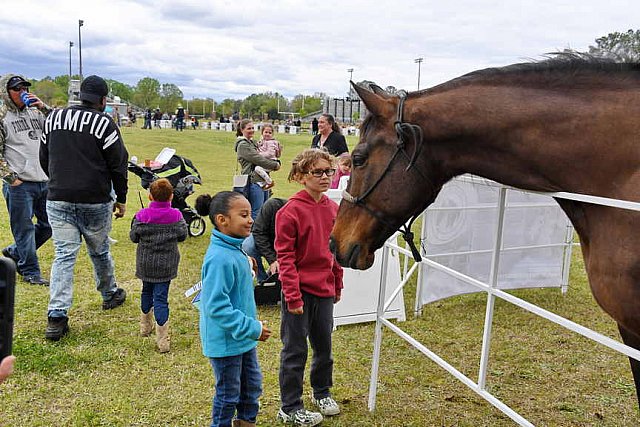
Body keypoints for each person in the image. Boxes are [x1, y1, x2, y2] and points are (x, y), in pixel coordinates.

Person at [39, 75, 129, 341]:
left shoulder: (54, 118)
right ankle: (109, 293)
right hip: (94, 199)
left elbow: (44, 158)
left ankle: (56, 316)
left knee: (64, 256)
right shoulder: (105, 124)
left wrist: (57, 181)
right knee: (99, 251)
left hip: (58, 197)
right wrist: (121, 198)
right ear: (103, 100)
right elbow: (118, 165)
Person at [275, 148, 344, 426]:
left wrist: (337, 283)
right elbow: (286, 258)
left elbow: (335, 252)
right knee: (295, 350)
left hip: (324, 290)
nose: (326, 177)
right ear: (301, 176)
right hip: (299, 293)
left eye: (330, 171)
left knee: (323, 346)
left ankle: (321, 392)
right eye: (318, 172)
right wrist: (292, 296)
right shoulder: (289, 212)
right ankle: (290, 407)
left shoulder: (333, 208)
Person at [194, 191, 272, 427]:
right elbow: (216, 306)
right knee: (229, 395)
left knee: (251, 388)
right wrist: (252, 327)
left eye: (250, 214)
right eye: (244, 215)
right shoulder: (219, 258)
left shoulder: (235, 250)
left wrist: (248, 268)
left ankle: (246, 422)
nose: (251, 220)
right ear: (222, 220)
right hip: (227, 342)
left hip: (243, 338)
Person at [0, 74, 53, 285]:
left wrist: (43, 106)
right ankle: (30, 271)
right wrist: (11, 178)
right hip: (20, 184)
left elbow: (58, 125)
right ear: (6, 92)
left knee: (48, 226)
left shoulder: (35, 111)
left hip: (43, 179)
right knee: (24, 229)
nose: (22, 92)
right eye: (16, 89)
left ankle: (14, 252)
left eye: (24, 87)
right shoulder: (2, 115)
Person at [130, 178, 187, 353]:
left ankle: (145, 327)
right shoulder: (176, 215)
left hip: (145, 263)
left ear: (149, 196)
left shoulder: (141, 216)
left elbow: (133, 237)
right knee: (161, 298)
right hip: (166, 266)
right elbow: (183, 235)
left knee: (146, 291)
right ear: (171, 196)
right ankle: (163, 341)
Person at [234, 119, 280, 220]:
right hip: (253, 181)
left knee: (264, 209)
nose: (251, 130)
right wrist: (275, 165)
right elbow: (257, 159)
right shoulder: (243, 145)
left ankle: (261, 233)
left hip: (262, 180)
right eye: (249, 128)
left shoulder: (253, 142)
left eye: (253, 128)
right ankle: (253, 234)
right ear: (242, 130)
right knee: (256, 211)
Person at [241, 197, 286, 283]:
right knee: (248, 247)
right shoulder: (272, 206)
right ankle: (262, 280)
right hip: (264, 238)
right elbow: (258, 232)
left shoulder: (301, 218)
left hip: (283, 244)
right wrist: (272, 260)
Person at [255, 124, 282, 190]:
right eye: (266, 132)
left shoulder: (271, 142)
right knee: (260, 170)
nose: (267, 134)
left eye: (270, 133)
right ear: (262, 133)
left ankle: (269, 182)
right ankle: (263, 184)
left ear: (272, 134)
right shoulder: (264, 141)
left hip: (271, 162)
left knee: (258, 169)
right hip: (267, 161)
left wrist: (259, 155)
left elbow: (270, 153)